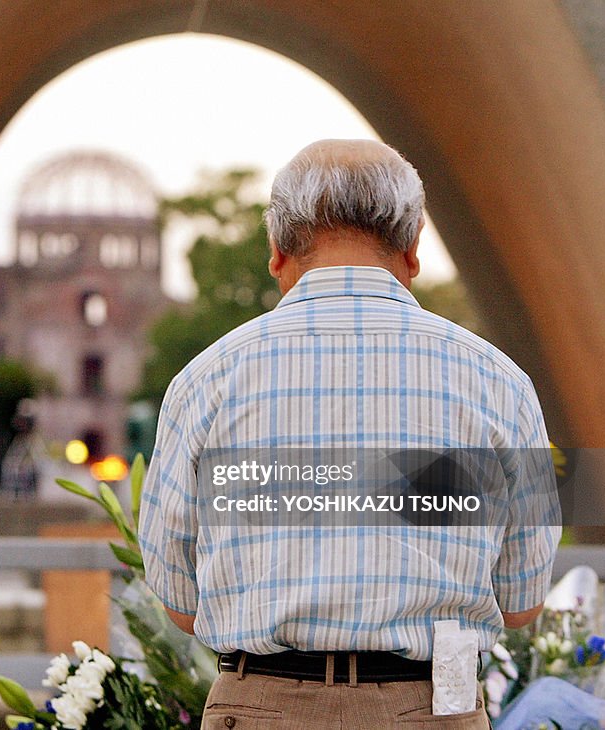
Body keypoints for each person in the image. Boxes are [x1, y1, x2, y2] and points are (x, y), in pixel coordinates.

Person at [138, 140, 560, 728]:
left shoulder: (204, 381)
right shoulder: (503, 384)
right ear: (412, 250)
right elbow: (523, 601)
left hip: (261, 705)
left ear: (278, 252)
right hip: (436, 704)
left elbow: (180, 602)